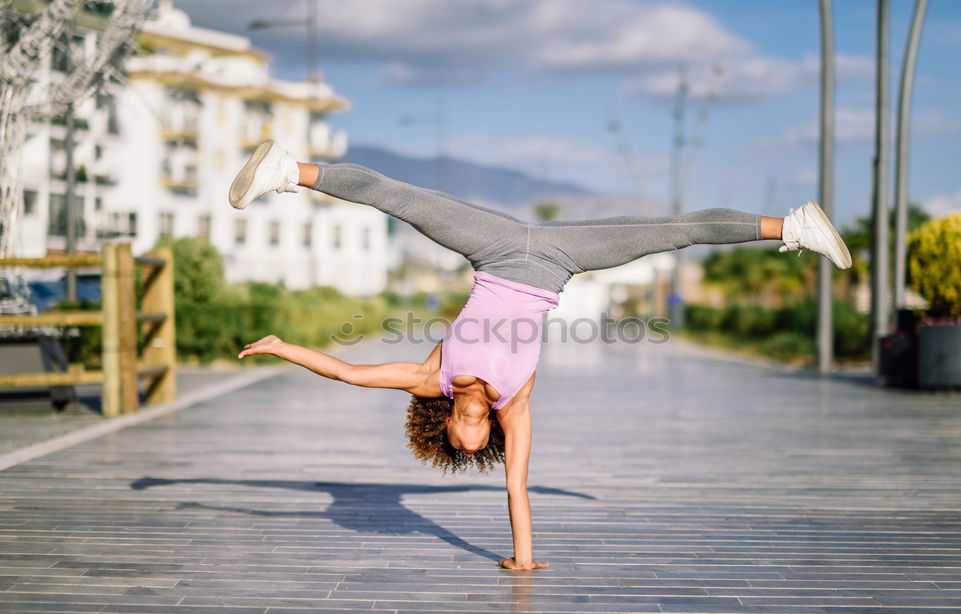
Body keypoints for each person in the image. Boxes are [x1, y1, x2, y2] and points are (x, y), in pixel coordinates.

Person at [230, 140, 852, 571]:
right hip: (557, 260)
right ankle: (793, 227)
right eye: (482, 439)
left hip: (495, 248)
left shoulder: (428, 378)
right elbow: (518, 490)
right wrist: (523, 560)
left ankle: (288, 170)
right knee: (674, 231)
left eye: (461, 434)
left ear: (444, 423)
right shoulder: (515, 408)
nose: (474, 431)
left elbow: (346, 372)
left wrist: (284, 347)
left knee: (401, 197)